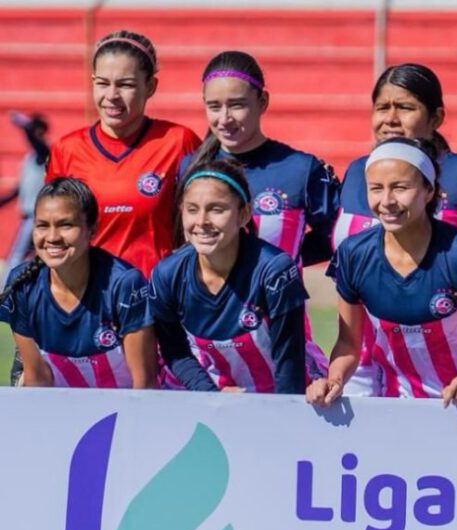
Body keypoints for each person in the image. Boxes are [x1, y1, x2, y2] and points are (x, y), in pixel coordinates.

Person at [331, 63, 457, 394]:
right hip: (364, 365)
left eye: (404, 107)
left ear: (436, 118)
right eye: (381, 108)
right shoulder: (359, 172)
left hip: (450, 367)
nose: (390, 118)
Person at [308, 138, 457, 406]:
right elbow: (348, 344)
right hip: (398, 408)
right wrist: (334, 380)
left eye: (400, 188)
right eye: (376, 189)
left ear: (429, 190)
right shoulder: (353, 255)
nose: (386, 201)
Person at [180, 50, 335, 379]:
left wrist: (286, 262)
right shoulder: (189, 168)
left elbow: (335, 238)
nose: (224, 118)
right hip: (210, 357)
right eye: (214, 106)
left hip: (284, 348)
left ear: (262, 101)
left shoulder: (300, 169)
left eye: (237, 104)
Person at [46, 30, 200, 278]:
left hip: (157, 301)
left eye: (125, 84)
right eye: (103, 83)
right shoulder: (66, 150)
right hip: (89, 302)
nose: (111, 96)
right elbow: (52, 235)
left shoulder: (179, 141)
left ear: (150, 86)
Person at [150, 160, 307, 394]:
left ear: (243, 214)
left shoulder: (274, 270)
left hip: (282, 393)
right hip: (214, 392)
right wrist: (213, 397)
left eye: (216, 209)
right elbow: (176, 352)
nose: (201, 222)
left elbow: (290, 362)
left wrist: (278, 414)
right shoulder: (167, 274)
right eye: (192, 209)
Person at [0, 177, 156, 388]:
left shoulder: (125, 284)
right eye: (42, 225)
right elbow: (38, 379)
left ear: (92, 229)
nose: (52, 237)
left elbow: (144, 385)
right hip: (61, 408)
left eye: (66, 225)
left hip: (123, 410)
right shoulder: (23, 284)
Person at [0, 112, 49, 281]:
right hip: (29, 216)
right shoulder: (30, 158)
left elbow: (34, 139)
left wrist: (23, 123)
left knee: (17, 256)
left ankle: (5, 291)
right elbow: (19, 189)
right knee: (31, 257)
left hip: (36, 217)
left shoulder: (45, 153)